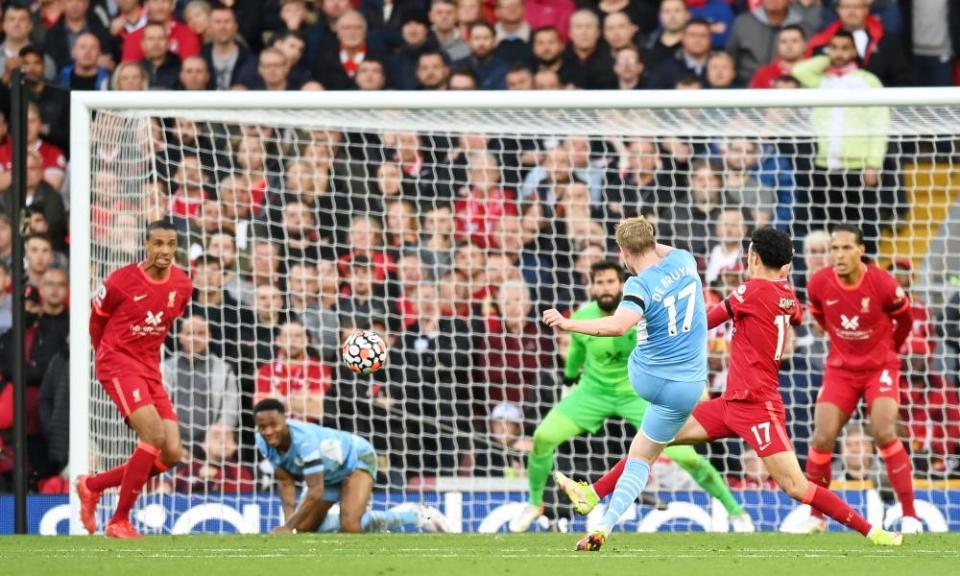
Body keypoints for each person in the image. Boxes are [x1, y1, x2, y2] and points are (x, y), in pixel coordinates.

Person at [555, 227, 904, 549]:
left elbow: (704, 321)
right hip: (729, 404)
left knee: (796, 486)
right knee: (649, 443)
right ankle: (592, 495)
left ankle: (872, 531)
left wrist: (664, 320)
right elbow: (795, 315)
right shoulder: (786, 293)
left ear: (752, 258)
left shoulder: (750, 291)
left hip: (758, 407)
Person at [509, 261, 752, 533]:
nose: (605, 287)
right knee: (543, 437)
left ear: (621, 285)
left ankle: (735, 511)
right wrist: (568, 383)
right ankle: (533, 504)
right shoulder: (582, 316)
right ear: (592, 286)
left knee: (688, 458)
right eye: (599, 282)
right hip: (593, 392)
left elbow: (671, 347)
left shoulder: (641, 314)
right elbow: (576, 352)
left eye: (610, 281)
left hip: (637, 395)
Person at [541, 216, 708, 551]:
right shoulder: (684, 259)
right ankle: (601, 522)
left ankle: (599, 517)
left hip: (650, 382)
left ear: (622, 251)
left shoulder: (638, 285)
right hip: (691, 385)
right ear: (652, 240)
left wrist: (568, 324)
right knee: (641, 455)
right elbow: (650, 245)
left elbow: (618, 325)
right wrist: (643, 237)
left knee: (631, 344)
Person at [76, 220, 194, 538]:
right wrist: (105, 355)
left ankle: (92, 485)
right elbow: (96, 321)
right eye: (158, 243)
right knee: (153, 437)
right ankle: (119, 520)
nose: (165, 251)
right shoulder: (121, 281)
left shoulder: (182, 285)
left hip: (149, 369)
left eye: (171, 244)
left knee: (171, 453)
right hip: (117, 363)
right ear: (146, 245)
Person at [802, 225, 921, 535]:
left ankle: (910, 516)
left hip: (879, 367)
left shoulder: (883, 283)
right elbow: (820, 319)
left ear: (861, 250)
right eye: (834, 249)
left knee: (883, 432)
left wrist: (889, 349)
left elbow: (905, 320)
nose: (838, 255)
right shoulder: (818, 283)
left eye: (845, 248)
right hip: (840, 370)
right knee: (821, 438)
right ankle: (816, 518)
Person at [253, 398, 448, 533]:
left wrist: (287, 527)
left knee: (351, 527)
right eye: (263, 427)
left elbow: (315, 489)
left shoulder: (305, 441)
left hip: (356, 459)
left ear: (285, 420)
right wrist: (291, 525)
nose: (268, 431)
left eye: (274, 425)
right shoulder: (262, 442)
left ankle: (416, 515)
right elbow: (285, 481)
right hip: (329, 474)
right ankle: (354, 514)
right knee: (303, 528)